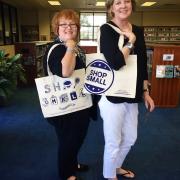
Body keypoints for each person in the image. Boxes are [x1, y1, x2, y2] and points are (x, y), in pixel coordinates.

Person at [98, 0, 155, 179]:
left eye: (127, 1)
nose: (123, 6)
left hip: (132, 93)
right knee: (113, 141)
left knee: (130, 138)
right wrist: (130, 42)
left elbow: (142, 65)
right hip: (112, 95)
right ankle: (109, 175)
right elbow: (115, 63)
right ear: (111, 8)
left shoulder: (138, 30)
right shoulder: (106, 30)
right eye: (118, 2)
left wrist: (146, 92)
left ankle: (116, 167)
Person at [43, 9, 91, 180]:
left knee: (76, 138)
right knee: (68, 141)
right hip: (66, 107)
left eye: (72, 24)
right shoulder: (58, 48)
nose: (68, 27)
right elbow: (65, 72)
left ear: (77, 28)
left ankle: (72, 163)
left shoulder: (75, 47)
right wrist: (70, 46)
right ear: (57, 29)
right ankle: (66, 174)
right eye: (63, 24)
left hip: (78, 103)